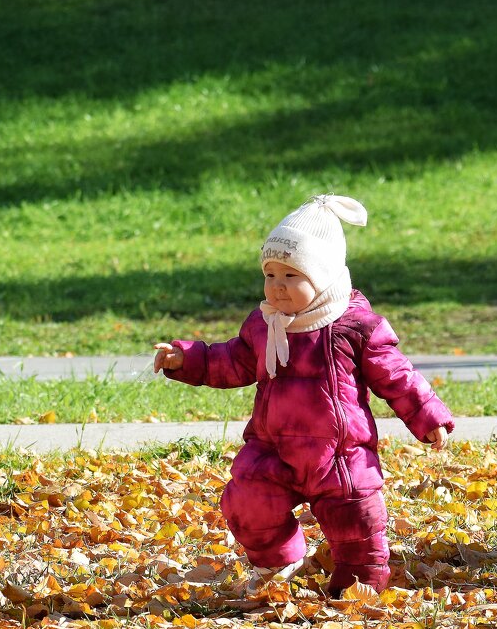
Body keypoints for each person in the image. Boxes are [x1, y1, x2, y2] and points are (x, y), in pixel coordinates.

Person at [153, 195, 453, 596]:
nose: (277, 288)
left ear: (324, 276)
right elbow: (233, 360)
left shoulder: (355, 326)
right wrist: (186, 359)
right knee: (247, 503)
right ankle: (281, 563)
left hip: (340, 455)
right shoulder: (265, 326)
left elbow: (396, 374)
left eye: (292, 277)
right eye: (270, 275)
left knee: (358, 529)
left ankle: (357, 593)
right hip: (272, 448)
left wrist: (428, 415)